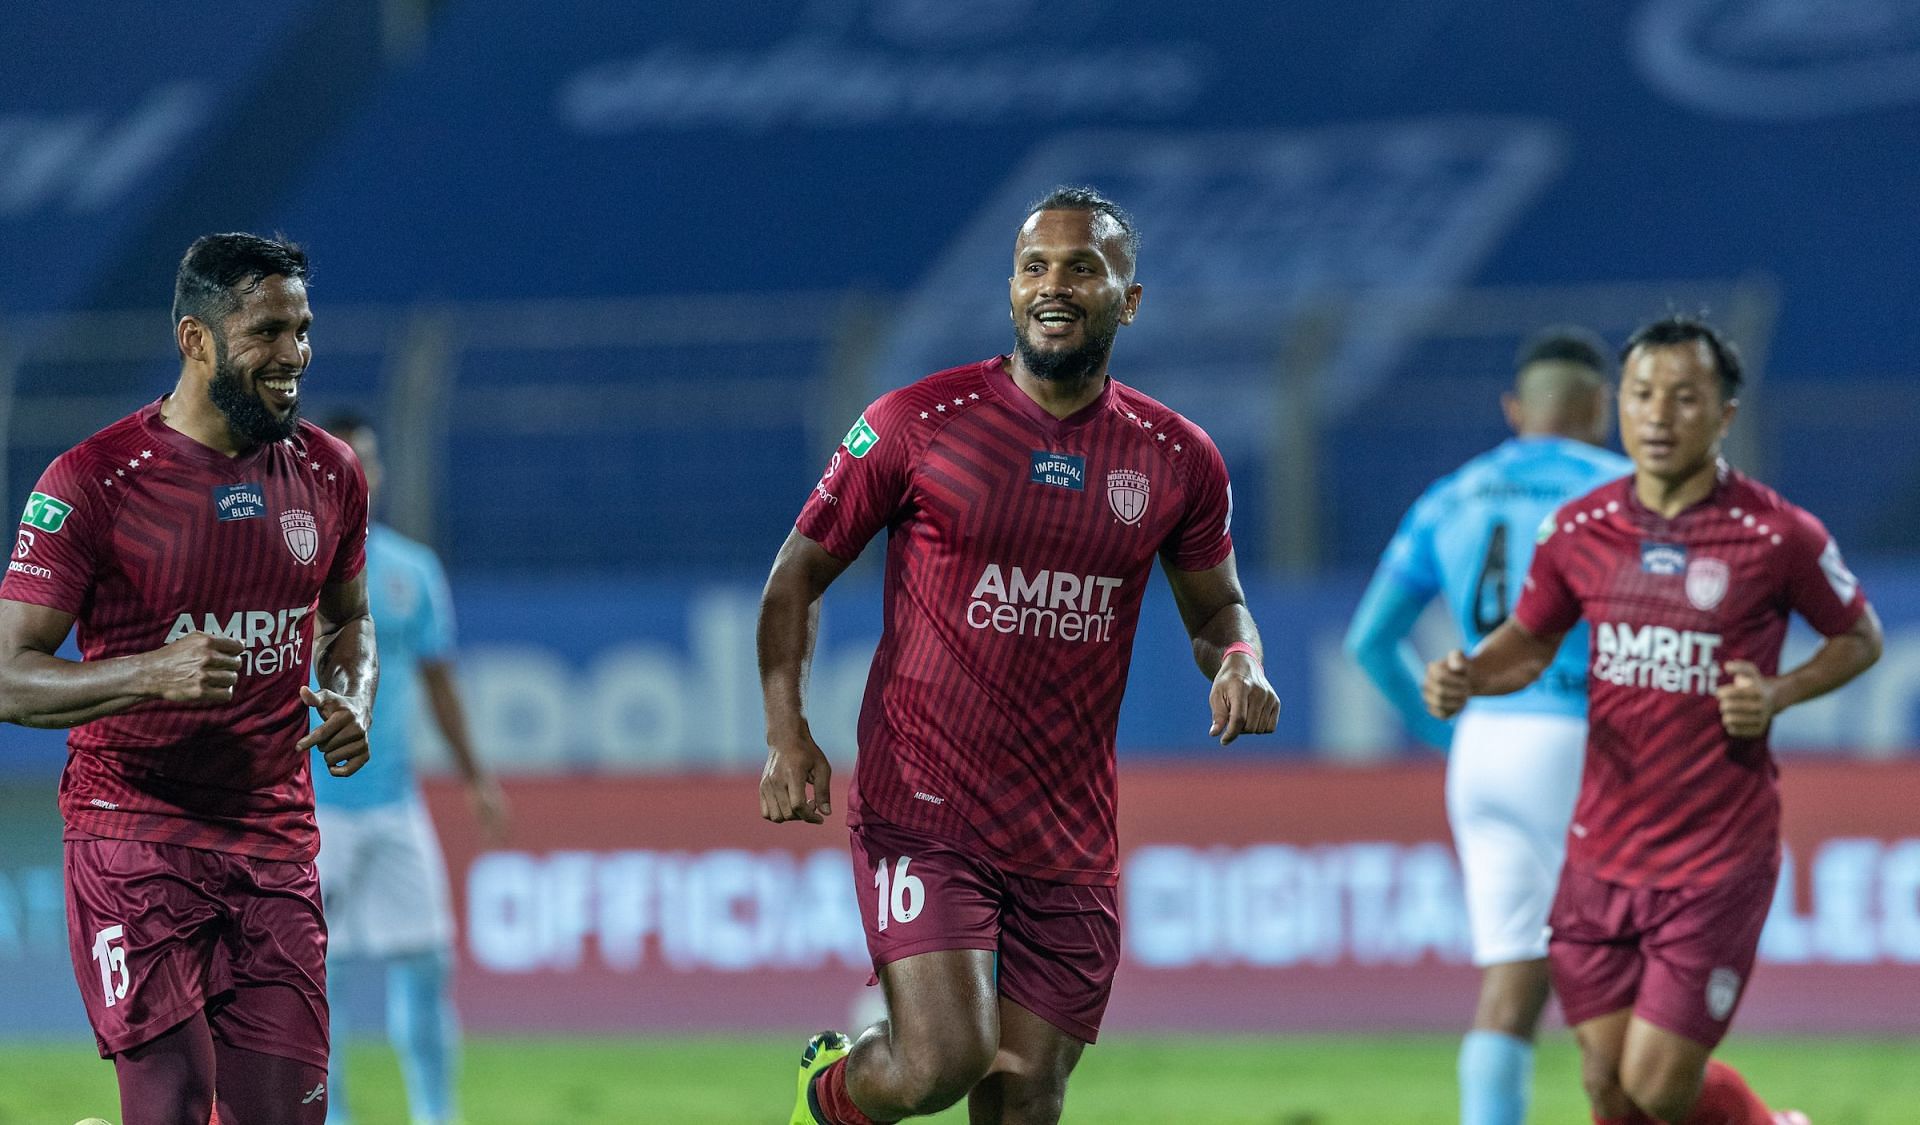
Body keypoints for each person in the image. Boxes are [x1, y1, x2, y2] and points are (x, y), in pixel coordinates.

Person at [758, 186, 1280, 1125]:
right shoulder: (918, 422)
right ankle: (826, 1091)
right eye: (1036, 266)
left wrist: (1240, 659)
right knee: (944, 1059)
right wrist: (786, 733)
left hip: (1066, 829)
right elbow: (793, 578)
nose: (1055, 285)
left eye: (1084, 267)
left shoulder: (1177, 457)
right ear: (1009, 289)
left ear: (1129, 298)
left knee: (1029, 1092)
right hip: (925, 803)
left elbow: (1218, 608)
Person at [1423, 315, 1881, 1125]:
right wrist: (1469, 674)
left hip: (1714, 858)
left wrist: (1778, 693)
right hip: (1599, 855)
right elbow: (1528, 643)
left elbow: (1860, 637)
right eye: (1642, 395)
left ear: (1725, 413)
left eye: (1683, 397)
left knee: (1659, 1084)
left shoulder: (1777, 534)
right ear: (1618, 406)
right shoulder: (1578, 528)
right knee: (1607, 1085)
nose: (1659, 415)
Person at [0, 233, 376, 1125]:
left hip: (274, 842)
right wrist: (150, 672)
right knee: (167, 1107)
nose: (295, 355)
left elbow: (350, 617)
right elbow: (9, 675)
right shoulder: (94, 481)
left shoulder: (329, 471)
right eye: (268, 332)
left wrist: (354, 693)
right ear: (195, 338)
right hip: (132, 834)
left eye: (303, 329)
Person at [1345, 327, 1631, 1125]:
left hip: (1488, 752)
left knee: (1512, 981)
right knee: (1621, 981)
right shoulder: (1624, 487)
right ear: (1601, 405)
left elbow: (1370, 641)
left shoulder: (1451, 496)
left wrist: (1447, 732)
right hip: (1590, 744)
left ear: (1516, 408)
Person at [310, 415, 505, 1125]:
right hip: (309, 808)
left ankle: (435, 1112)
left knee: (428, 958)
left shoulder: (413, 570)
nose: (361, 473)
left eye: (370, 459)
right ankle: (328, 1114)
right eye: (346, 461)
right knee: (312, 978)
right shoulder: (283, 562)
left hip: (393, 802)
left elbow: (440, 684)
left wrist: (478, 776)